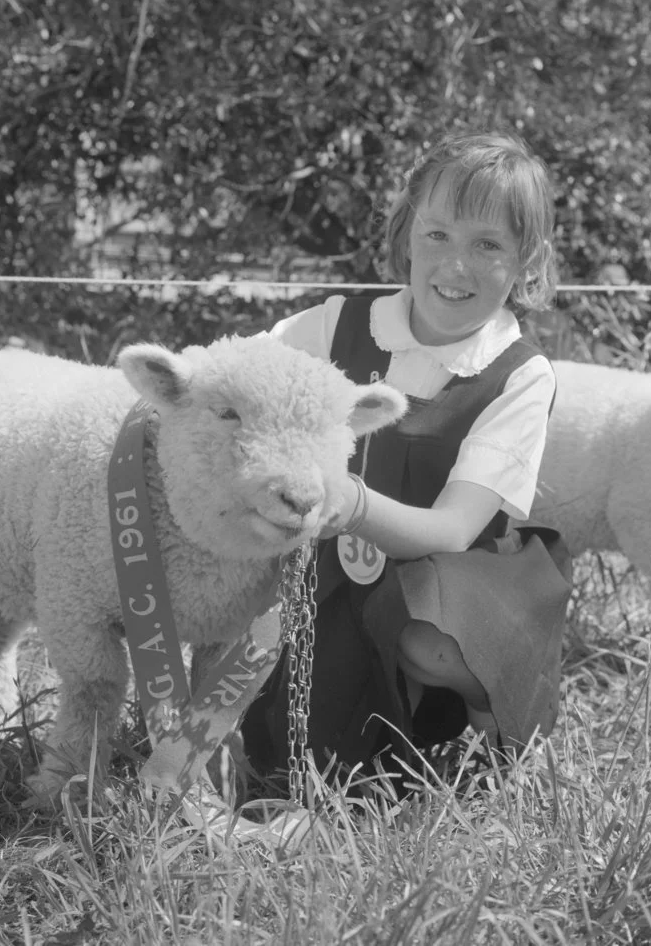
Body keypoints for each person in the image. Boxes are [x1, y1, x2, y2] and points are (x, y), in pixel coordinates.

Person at [241, 130, 573, 790]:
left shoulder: (518, 373)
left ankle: (497, 736)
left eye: (488, 245)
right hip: (338, 580)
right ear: (407, 230)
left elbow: (454, 527)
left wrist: (352, 503)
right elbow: (238, 374)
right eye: (438, 235)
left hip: (458, 584)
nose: (455, 266)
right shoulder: (338, 324)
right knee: (310, 762)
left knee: (433, 641)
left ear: (527, 259)